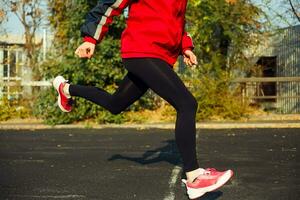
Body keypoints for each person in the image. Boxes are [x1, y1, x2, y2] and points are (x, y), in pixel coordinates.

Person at [52, 0, 233, 199]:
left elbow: (177, 21)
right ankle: (194, 177)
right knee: (187, 104)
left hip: (159, 56)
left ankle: (66, 89)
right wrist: (90, 38)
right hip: (141, 49)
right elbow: (110, 5)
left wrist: (185, 47)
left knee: (115, 104)